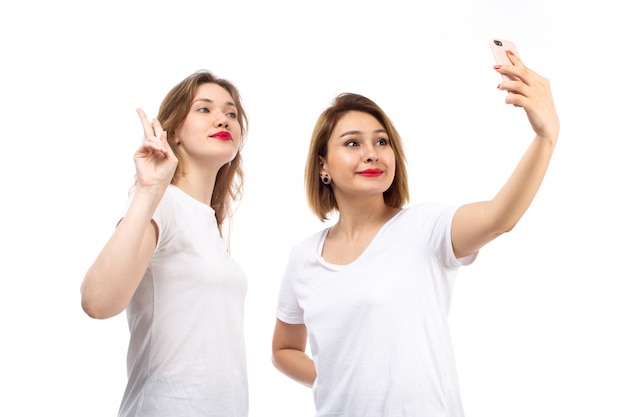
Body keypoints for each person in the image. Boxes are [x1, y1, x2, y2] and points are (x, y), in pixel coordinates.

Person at [272, 50, 559, 416]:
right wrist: (340, 380)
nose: (372, 153)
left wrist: (545, 136)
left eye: (381, 141)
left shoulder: (426, 228)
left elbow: (500, 216)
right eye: (352, 143)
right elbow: (284, 349)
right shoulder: (303, 257)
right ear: (322, 165)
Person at [80, 70, 249, 417]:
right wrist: (149, 190)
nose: (223, 118)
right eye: (204, 109)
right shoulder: (165, 205)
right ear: (174, 133)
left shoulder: (207, 225)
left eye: (231, 113)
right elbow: (97, 302)